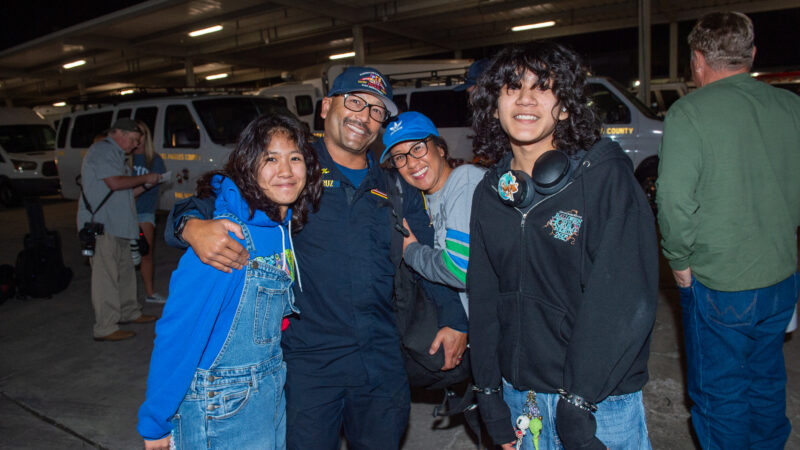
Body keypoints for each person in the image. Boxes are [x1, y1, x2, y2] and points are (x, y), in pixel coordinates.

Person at [164, 67, 466, 449]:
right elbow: (216, 195)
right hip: (307, 364)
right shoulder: (293, 170)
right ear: (325, 107)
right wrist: (190, 225)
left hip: (381, 358)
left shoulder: (395, 186)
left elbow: (427, 254)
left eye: (376, 110)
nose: (364, 116)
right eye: (354, 102)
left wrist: (454, 319)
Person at [467, 42, 658, 449]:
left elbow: (625, 300)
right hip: (523, 398)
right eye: (512, 86)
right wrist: (489, 395)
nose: (525, 99)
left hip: (600, 402)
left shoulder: (605, 180)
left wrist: (578, 400)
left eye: (543, 87)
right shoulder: (490, 193)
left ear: (567, 107)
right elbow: (483, 300)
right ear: (494, 105)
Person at [656, 11, 800, 449]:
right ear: (752, 54)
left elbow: (674, 201)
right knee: (766, 379)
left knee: (721, 395)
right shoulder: (791, 106)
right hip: (781, 276)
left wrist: (679, 263)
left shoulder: (689, 113)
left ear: (698, 60)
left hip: (721, 283)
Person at [137, 114, 321, 450]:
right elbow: (178, 332)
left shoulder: (281, 229)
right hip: (220, 404)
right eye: (270, 159)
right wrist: (155, 422)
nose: (285, 170)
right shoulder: (225, 240)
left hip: (268, 390)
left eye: (295, 158)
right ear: (248, 167)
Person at [380, 111, 485, 326]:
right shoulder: (421, 201)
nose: (412, 163)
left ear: (440, 148)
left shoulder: (465, 179)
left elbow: (460, 269)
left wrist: (410, 251)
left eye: (418, 148)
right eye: (400, 157)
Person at [77, 118, 160, 342]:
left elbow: (124, 193)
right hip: (102, 224)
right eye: (133, 140)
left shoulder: (118, 155)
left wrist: (146, 185)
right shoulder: (102, 150)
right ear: (119, 133)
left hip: (120, 224)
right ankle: (105, 327)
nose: (135, 145)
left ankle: (129, 312)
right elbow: (115, 183)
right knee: (106, 276)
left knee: (125, 272)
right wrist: (144, 177)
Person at [130, 121, 167, 303]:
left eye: (141, 134)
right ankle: (127, 297)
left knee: (146, 252)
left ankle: (150, 293)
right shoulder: (125, 159)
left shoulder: (154, 160)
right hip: (125, 213)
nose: (138, 139)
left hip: (144, 211)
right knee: (126, 257)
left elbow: (155, 187)